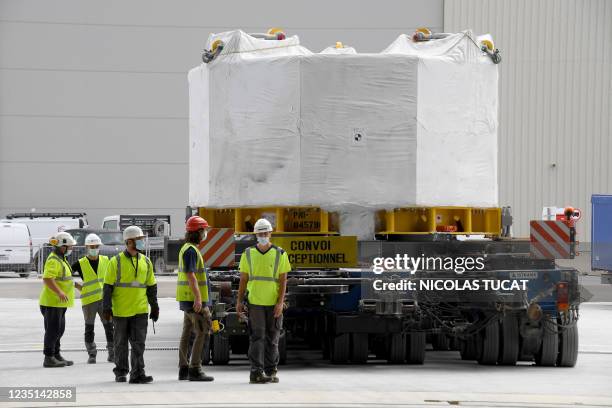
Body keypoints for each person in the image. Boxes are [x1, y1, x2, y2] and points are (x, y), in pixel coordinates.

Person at [236, 218, 291, 384]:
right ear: (255, 234)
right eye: (260, 233)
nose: (263, 235)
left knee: (273, 338)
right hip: (255, 302)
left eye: (265, 233)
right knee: (257, 337)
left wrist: (280, 303)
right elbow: (243, 279)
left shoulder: (280, 254)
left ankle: (271, 371)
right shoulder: (248, 254)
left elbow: (283, 280)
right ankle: (256, 372)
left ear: (270, 233)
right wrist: (239, 301)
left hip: (273, 302)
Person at [102, 226, 159, 384]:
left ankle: (137, 373)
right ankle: (121, 372)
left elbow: (151, 286)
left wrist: (154, 306)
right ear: (129, 242)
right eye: (139, 240)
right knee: (120, 344)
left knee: (138, 344)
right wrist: (106, 307)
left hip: (140, 310)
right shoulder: (116, 262)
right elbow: (107, 287)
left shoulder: (146, 261)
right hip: (121, 311)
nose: (142, 242)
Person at [177, 216, 214, 382]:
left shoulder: (186, 248)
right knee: (202, 331)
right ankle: (195, 369)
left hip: (186, 300)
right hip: (193, 301)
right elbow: (191, 275)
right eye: (204, 230)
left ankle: (183, 368)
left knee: (187, 333)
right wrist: (199, 298)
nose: (205, 233)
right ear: (198, 232)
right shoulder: (191, 250)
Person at [72, 233, 114, 364]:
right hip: (89, 301)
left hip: (104, 300)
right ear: (86, 247)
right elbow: (65, 275)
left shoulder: (106, 260)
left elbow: (113, 277)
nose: (94, 248)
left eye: (96, 246)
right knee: (89, 328)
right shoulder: (80, 263)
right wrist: (79, 287)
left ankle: (112, 353)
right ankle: (92, 354)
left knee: (109, 327)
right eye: (91, 246)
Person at [39, 231, 76, 368]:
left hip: (59, 302)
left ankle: (56, 354)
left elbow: (64, 278)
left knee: (59, 330)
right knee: (53, 330)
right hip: (52, 302)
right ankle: (48, 357)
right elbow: (48, 278)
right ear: (62, 246)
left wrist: (77, 286)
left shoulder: (61, 259)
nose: (71, 249)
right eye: (70, 246)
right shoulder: (54, 259)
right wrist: (59, 292)